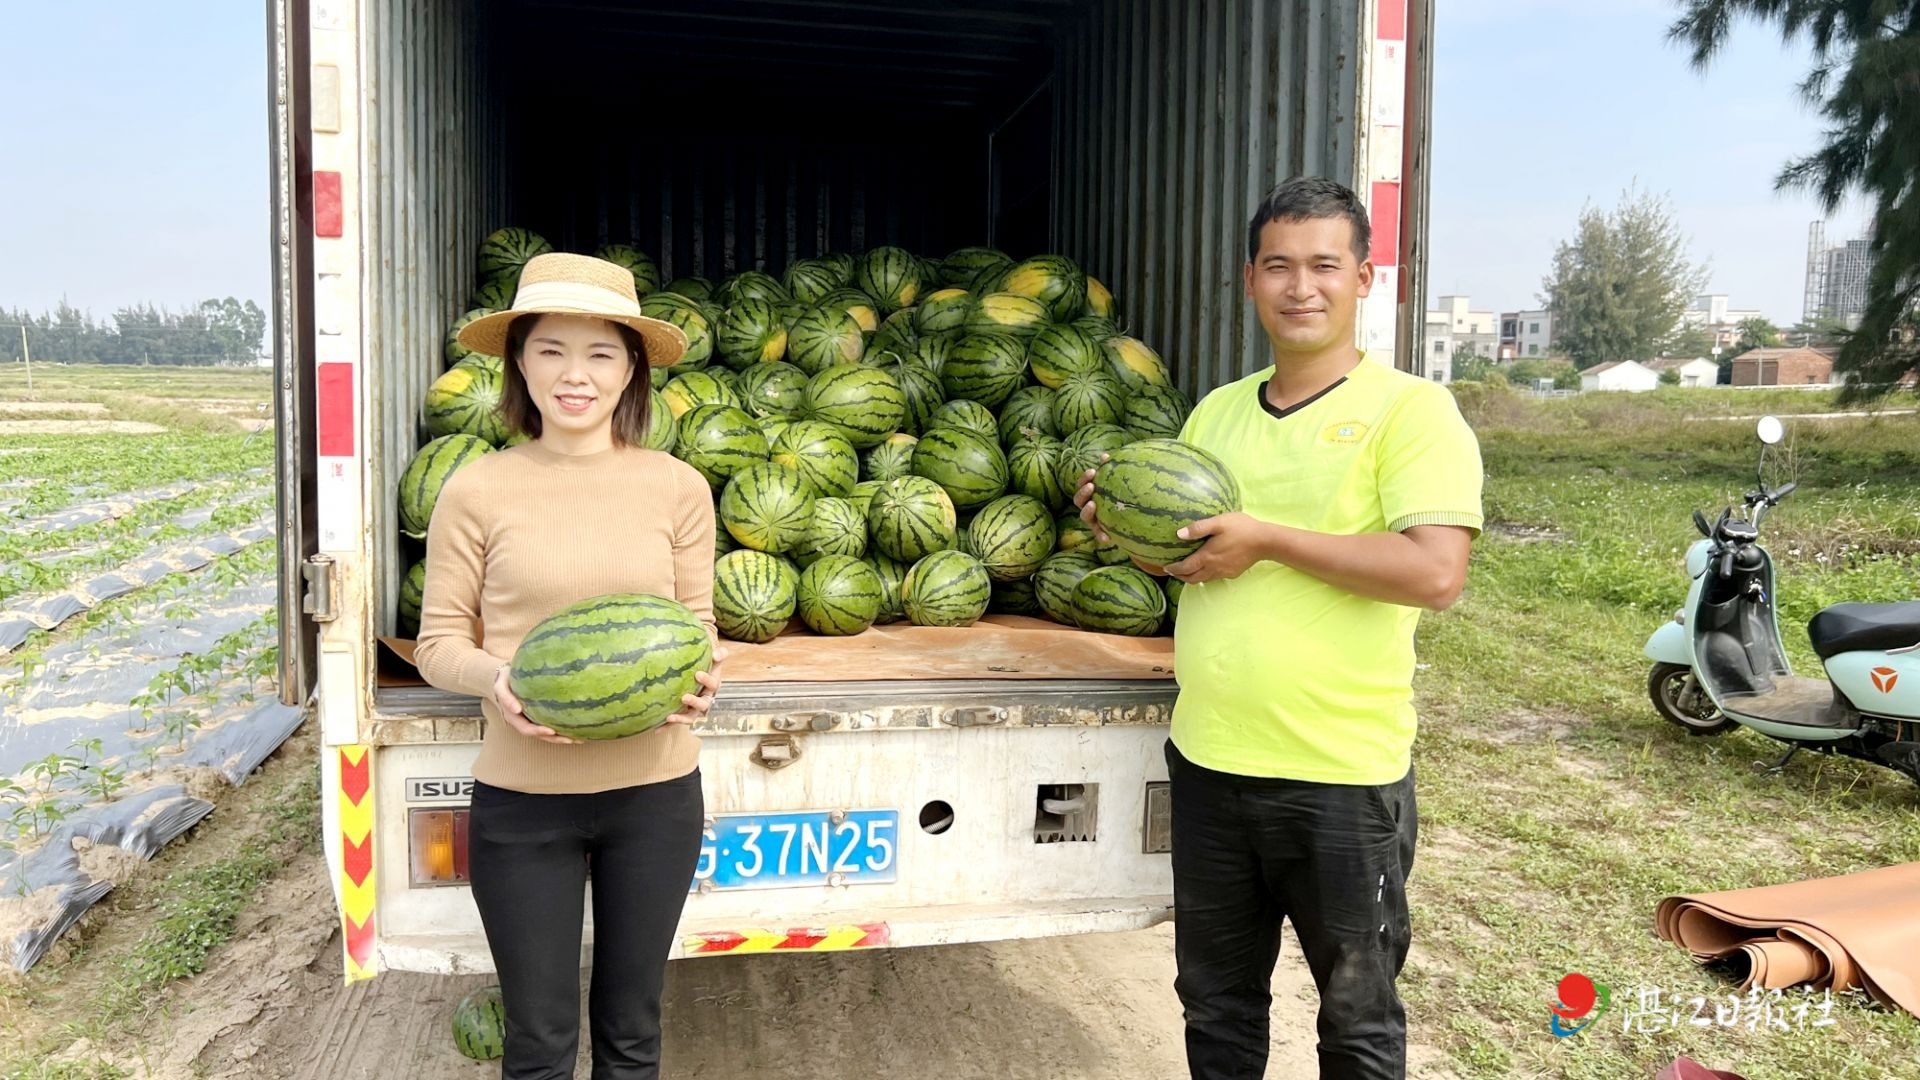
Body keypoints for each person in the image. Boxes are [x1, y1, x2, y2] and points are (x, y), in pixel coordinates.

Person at [1077, 177, 1483, 1080]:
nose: (1302, 286)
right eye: (1279, 266)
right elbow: (1188, 559)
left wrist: (1265, 539)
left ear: (1365, 279)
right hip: (1212, 761)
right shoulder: (1217, 412)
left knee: (1357, 1020)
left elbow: (1435, 573)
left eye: (1324, 265)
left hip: (1341, 776)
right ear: (1250, 280)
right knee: (1217, 1007)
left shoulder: (1412, 412)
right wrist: (1126, 528)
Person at [415, 251, 726, 1080]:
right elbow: (439, 642)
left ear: (631, 370)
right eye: (551, 349)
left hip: (656, 798)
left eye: (600, 353)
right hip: (522, 806)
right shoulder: (477, 490)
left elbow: (697, 626)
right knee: (539, 1045)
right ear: (519, 361)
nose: (575, 375)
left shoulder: (679, 488)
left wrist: (700, 686)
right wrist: (497, 680)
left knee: (633, 1038)